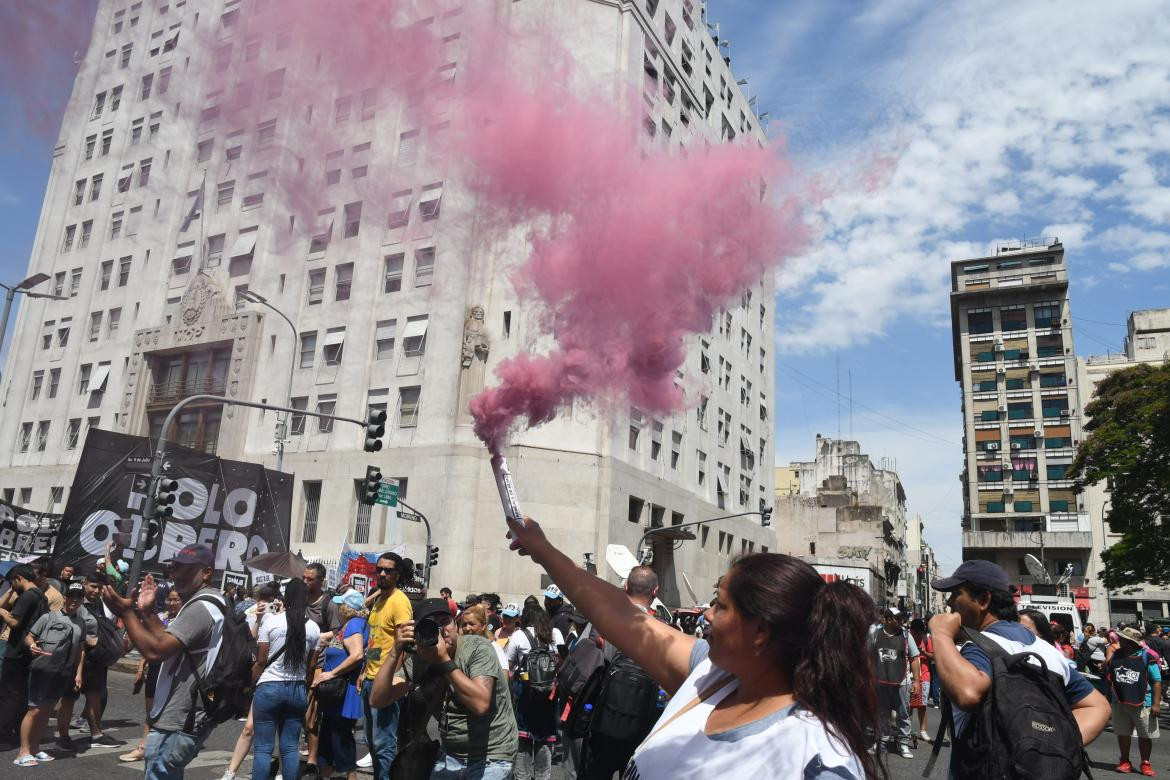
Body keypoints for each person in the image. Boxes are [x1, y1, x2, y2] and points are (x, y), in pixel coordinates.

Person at [505, 516, 877, 779]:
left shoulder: (816, 761)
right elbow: (618, 614)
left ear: (760, 631)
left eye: (720, 605)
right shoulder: (712, 674)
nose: (707, 616)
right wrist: (543, 549)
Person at [928, 560, 1110, 774]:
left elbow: (968, 693)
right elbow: (1099, 707)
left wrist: (941, 634)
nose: (949, 602)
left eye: (956, 593)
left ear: (983, 600)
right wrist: (1047, 744)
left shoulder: (978, 646)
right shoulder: (1050, 652)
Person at [101, 543, 228, 780]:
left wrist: (126, 613)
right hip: (185, 712)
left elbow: (156, 652)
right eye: (176, 567)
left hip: (180, 714)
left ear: (207, 572)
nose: (177, 574)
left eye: (187, 569)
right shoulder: (205, 602)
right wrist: (147, 613)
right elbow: (168, 640)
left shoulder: (201, 607)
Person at [370, 597, 517, 778]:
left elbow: (480, 704)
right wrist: (395, 651)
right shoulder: (421, 658)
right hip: (452, 754)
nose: (441, 631)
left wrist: (443, 660)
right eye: (431, 626)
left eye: (444, 622)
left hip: (493, 754)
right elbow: (378, 699)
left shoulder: (478, 648)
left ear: (455, 624)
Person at [576, 565, 664, 779]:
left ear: (625, 586)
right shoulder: (664, 631)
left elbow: (581, 665)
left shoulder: (603, 621)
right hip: (641, 727)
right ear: (655, 592)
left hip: (601, 721)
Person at [251, 578, 321, 780]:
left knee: (263, 748)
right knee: (290, 747)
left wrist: (249, 684)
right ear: (306, 599)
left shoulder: (271, 622)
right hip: (297, 688)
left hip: (269, 687)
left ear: (286, 597)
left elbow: (262, 660)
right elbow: (311, 666)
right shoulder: (314, 628)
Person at [12, 581, 87, 767]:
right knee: (34, 709)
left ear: (82, 600)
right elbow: (29, 636)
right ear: (64, 597)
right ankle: (23, 751)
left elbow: (80, 650)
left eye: (78, 597)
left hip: (63, 672)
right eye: (71, 596)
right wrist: (32, 645)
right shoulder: (48, 617)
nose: (74, 600)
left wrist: (78, 673)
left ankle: (36, 749)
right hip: (43, 669)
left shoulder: (81, 623)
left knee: (46, 710)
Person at [218, 582, 281, 780]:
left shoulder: (283, 617)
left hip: (277, 676)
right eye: (260, 599)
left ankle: (282, 769)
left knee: (284, 729)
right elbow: (250, 641)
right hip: (260, 674)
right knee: (249, 727)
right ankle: (230, 772)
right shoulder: (254, 611)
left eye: (267, 599)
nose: (264, 603)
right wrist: (259, 618)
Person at [57, 570, 124, 749]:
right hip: (75, 658)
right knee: (69, 698)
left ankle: (96, 734)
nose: (96, 591)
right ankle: (63, 738)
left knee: (95, 695)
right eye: (93, 586)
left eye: (100, 588)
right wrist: (86, 639)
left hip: (95, 660)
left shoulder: (96, 603)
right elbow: (63, 625)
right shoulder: (75, 600)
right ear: (85, 583)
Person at [362, 551, 414, 779]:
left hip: (385, 682)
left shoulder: (399, 601)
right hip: (370, 679)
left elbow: (404, 644)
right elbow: (377, 640)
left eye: (388, 570)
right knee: (372, 743)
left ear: (398, 574)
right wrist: (364, 670)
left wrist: (394, 676)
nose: (382, 574)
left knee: (384, 746)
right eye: (379, 569)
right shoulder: (380, 599)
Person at [122, 588, 184, 762]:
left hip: (173, 671)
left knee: (168, 710)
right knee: (151, 709)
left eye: (176, 600)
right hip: (155, 667)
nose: (172, 603)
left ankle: (152, 746)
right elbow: (148, 644)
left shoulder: (184, 621)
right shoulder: (160, 618)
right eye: (170, 600)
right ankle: (145, 746)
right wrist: (141, 668)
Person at [313, 590, 369, 780]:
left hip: (343, 691)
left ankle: (350, 776)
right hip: (336, 692)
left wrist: (331, 673)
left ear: (347, 609)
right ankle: (325, 776)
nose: (336, 608)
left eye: (340, 605)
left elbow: (357, 655)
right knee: (330, 736)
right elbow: (323, 637)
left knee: (340, 738)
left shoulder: (354, 624)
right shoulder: (348, 625)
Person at [506, 604, 560, 780]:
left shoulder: (519, 635)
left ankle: (522, 776)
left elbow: (508, 665)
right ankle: (543, 776)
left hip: (525, 694)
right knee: (545, 740)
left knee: (524, 740)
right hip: (549, 695)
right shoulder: (555, 633)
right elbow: (562, 660)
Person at [0, 564, 49, 746]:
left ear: (19, 577)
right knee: (21, 694)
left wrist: (3, 612)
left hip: (16, 650)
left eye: (13, 582)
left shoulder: (27, 596)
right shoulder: (41, 596)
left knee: (8, 694)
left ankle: (3, 733)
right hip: (29, 650)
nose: (13, 587)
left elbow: (14, 622)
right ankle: (16, 732)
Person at [1107, 626, 1161, 776]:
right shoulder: (1116, 655)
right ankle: (1125, 761)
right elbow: (1110, 677)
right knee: (1123, 733)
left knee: (1145, 735)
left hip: (1144, 702)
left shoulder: (1146, 656)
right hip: (1119, 701)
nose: (1120, 641)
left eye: (1123, 639)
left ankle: (1145, 763)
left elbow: (1156, 680)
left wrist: (1156, 703)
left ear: (1132, 642)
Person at [304, 562, 341, 777]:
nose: (306, 582)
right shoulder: (298, 600)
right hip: (297, 664)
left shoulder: (329, 604)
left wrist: (315, 637)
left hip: (318, 665)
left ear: (321, 581)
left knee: (312, 716)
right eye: (304, 578)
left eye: (310, 579)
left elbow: (338, 633)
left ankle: (312, 761)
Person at [871, 606, 920, 758]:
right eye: (897, 618)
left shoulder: (906, 635)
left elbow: (914, 658)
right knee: (882, 714)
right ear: (887, 619)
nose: (900, 621)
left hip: (902, 682)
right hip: (880, 681)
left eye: (901, 618)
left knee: (903, 714)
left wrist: (917, 681)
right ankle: (882, 743)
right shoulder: (875, 634)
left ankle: (903, 744)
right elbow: (867, 656)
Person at [908, 618, 933, 743]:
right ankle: (907, 730)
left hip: (924, 675)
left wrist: (924, 653)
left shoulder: (926, 640)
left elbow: (933, 656)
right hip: (909, 676)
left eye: (920, 632)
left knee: (922, 705)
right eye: (916, 632)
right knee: (909, 705)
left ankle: (923, 731)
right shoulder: (906, 638)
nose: (918, 635)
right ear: (911, 631)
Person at [543, 586, 572, 654]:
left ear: (560, 601)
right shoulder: (550, 614)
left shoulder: (564, 618)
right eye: (546, 598)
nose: (547, 602)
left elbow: (561, 644)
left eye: (551, 599)